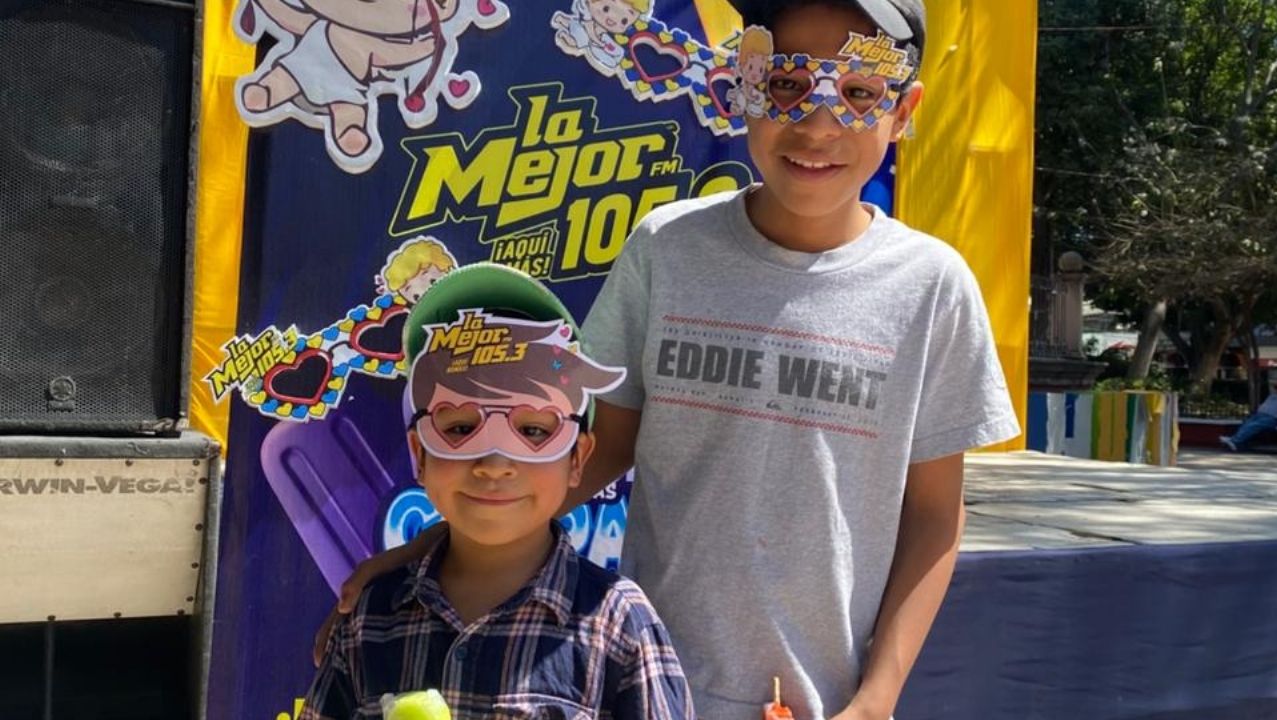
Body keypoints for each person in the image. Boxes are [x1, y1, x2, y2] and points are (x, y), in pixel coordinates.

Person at [322, 1, 1020, 717]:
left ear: (903, 111)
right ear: (745, 81)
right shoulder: (667, 249)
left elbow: (934, 515)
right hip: (628, 681)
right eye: (785, 83)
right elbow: (591, 447)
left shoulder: (932, 288)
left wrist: (877, 697)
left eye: (859, 92)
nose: (816, 125)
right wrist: (439, 549)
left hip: (817, 701)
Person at [303, 263, 695, 719]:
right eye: (459, 428)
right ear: (419, 453)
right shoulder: (371, 620)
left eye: (533, 431)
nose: (494, 465)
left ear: (578, 458)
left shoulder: (619, 624)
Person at [1220, 377, 1277, 451]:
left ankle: (1235, 441)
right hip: (1260, 415)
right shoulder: (1273, 396)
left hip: (1273, 419)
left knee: (1254, 425)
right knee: (1247, 423)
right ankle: (1234, 439)